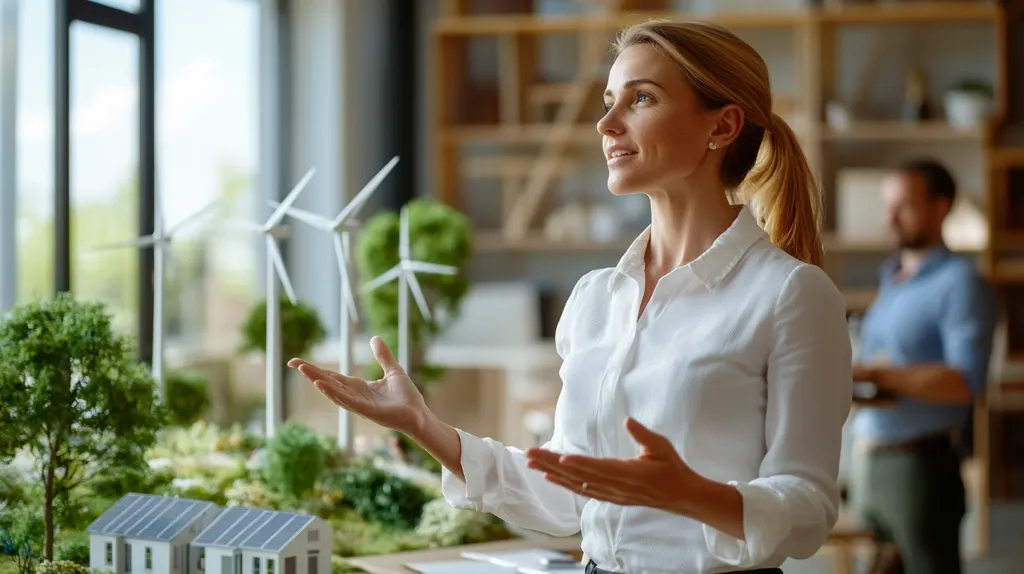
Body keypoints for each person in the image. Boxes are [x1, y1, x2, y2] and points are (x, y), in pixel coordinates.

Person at [289, 19, 852, 574]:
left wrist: (692, 495)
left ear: (723, 126)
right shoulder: (594, 300)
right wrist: (425, 428)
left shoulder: (791, 295)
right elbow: (563, 496)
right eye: (609, 101)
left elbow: (808, 509)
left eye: (642, 99)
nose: (607, 124)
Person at [848, 160, 998, 574]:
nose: (889, 218)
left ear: (940, 207)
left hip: (921, 466)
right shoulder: (891, 280)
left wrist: (873, 374)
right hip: (868, 463)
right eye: (887, 206)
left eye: (904, 207)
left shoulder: (959, 283)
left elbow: (965, 381)